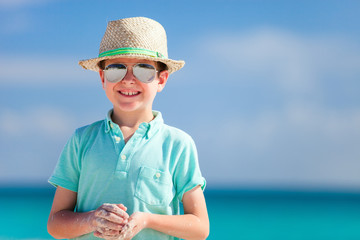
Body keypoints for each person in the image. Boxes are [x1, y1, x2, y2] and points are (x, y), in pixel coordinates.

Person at [47, 17, 209, 240]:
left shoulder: (177, 144)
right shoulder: (82, 140)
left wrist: (147, 220)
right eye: (116, 69)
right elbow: (56, 224)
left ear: (161, 80)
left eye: (143, 69)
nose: (129, 79)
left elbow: (200, 228)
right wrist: (92, 219)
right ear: (103, 77)